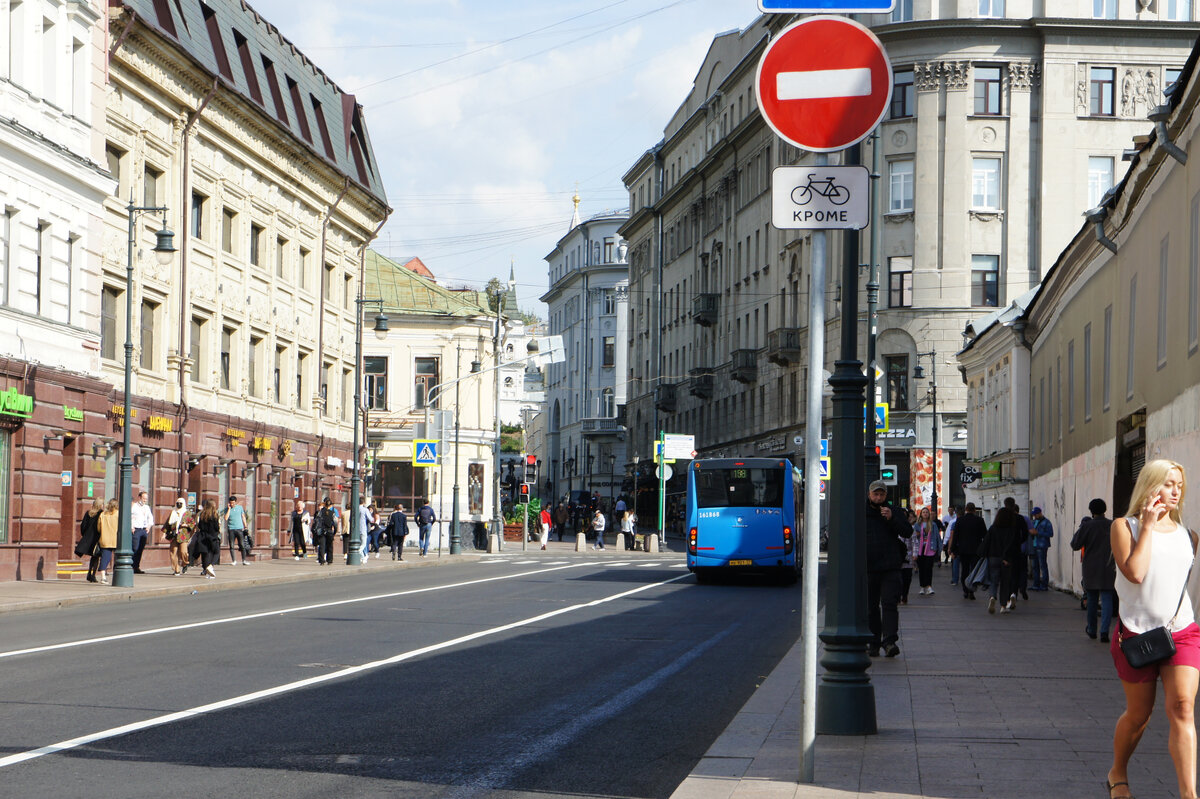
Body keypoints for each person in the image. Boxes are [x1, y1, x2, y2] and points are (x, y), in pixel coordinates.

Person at [1106, 459, 1199, 799]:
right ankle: (1118, 770)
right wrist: (1147, 526)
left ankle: (1189, 795)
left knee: (1183, 707)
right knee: (1139, 714)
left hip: (1182, 631)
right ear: (1150, 486)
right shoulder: (1123, 527)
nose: (1176, 491)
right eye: (1168, 483)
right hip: (1137, 634)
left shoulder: (1189, 536)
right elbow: (1136, 573)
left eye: (1179, 485)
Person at [865, 480, 913, 657]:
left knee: (889, 603)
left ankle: (889, 641)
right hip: (869, 566)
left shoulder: (894, 511)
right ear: (869, 494)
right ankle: (873, 641)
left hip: (890, 566)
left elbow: (907, 532)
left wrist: (892, 518)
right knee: (870, 607)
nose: (878, 498)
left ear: (886, 496)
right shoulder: (861, 512)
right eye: (875, 494)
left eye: (881, 494)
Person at [1071, 498, 1116, 642]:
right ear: (1105, 509)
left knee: (1092, 599)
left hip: (1090, 567)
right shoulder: (1112, 525)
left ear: (1091, 511)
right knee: (1107, 598)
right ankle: (1104, 631)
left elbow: (1075, 544)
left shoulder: (1087, 526)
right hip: (1109, 567)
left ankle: (1091, 629)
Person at [982, 506, 1024, 614]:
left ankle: (992, 597)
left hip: (993, 558)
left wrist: (984, 555)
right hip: (1006, 559)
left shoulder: (992, 528)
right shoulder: (1011, 530)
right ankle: (1003, 605)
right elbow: (1013, 545)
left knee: (993, 580)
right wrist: (1006, 557)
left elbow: (986, 542)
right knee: (1005, 583)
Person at [951, 503, 987, 600]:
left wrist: (953, 549)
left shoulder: (960, 520)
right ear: (974, 510)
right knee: (973, 570)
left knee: (964, 570)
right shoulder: (979, 520)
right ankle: (972, 590)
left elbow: (955, 536)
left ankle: (965, 590)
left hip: (963, 550)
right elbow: (985, 536)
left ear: (966, 509)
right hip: (976, 550)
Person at [164, 497, 194, 576]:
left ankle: (185, 563)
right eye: (178, 503)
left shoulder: (187, 513)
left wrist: (186, 525)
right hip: (174, 535)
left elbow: (192, 523)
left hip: (183, 536)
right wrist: (164, 533)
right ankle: (176, 570)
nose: (179, 504)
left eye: (181, 503)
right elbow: (167, 523)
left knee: (183, 552)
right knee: (173, 552)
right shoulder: (173, 512)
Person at [914, 507, 941, 596]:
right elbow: (913, 536)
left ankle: (929, 586)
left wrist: (939, 549)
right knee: (921, 568)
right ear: (921, 514)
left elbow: (937, 537)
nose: (925, 514)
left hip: (930, 549)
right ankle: (922, 587)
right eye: (923, 512)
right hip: (920, 549)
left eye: (926, 512)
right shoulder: (917, 525)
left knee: (929, 568)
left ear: (929, 514)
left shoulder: (933, 524)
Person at [194, 498, 221, 578]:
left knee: (205, 553)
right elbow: (216, 527)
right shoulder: (215, 515)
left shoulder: (202, 514)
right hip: (212, 537)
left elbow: (199, 525)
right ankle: (210, 566)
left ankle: (206, 569)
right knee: (216, 552)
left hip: (203, 536)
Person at [93, 498, 119, 584]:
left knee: (105, 558)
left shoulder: (103, 514)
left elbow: (98, 528)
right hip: (116, 539)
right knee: (118, 557)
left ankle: (103, 577)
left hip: (105, 539)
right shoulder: (118, 514)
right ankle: (118, 574)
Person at [78, 498, 104, 583]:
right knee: (96, 557)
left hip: (89, 538)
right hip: (97, 538)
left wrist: (85, 535)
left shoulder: (88, 513)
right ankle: (92, 575)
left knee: (94, 557)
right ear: (100, 505)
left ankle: (89, 573)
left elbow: (83, 526)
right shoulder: (101, 513)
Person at [1029, 506, 1054, 590]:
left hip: (1042, 546)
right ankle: (1036, 584)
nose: (1034, 516)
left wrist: (1037, 533)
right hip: (1034, 545)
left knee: (1043, 565)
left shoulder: (1047, 522)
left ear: (1040, 513)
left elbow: (1050, 534)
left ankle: (1044, 585)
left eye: (1036, 514)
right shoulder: (1033, 522)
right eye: (1033, 515)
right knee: (1035, 566)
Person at [223, 496, 250, 566]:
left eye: (233, 503)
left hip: (239, 529)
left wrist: (245, 526)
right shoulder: (226, 509)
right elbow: (226, 518)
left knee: (242, 545)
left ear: (235, 502)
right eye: (231, 503)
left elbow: (243, 517)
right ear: (229, 503)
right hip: (231, 529)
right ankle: (234, 560)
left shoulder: (240, 508)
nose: (232, 504)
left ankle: (244, 560)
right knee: (231, 545)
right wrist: (229, 509)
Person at [313, 497, 338, 565]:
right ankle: (329, 560)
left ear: (324, 504)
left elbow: (317, 521)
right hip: (329, 531)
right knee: (330, 546)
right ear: (330, 505)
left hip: (322, 531)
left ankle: (321, 560)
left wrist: (316, 530)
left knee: (322, 545)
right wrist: (335, 531)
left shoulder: (320, 512)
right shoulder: (332, 513)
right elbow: (335, 523)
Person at [899, 522, 918, 605]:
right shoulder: (894, 528)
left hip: (908, 556)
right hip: (897, 557)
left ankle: (904, 595)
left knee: (907, 578)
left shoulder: (910, 529)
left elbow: (915, 542)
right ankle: (898, 595)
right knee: (898, 578)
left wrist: (915, 554)